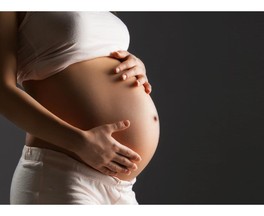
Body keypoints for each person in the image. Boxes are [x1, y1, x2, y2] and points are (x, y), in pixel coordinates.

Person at [0, 12, 160, 204]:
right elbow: (3, 92)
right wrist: (79, 142)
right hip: (61, 175)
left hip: (122, 189)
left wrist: (135, 64)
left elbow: (91, 53)